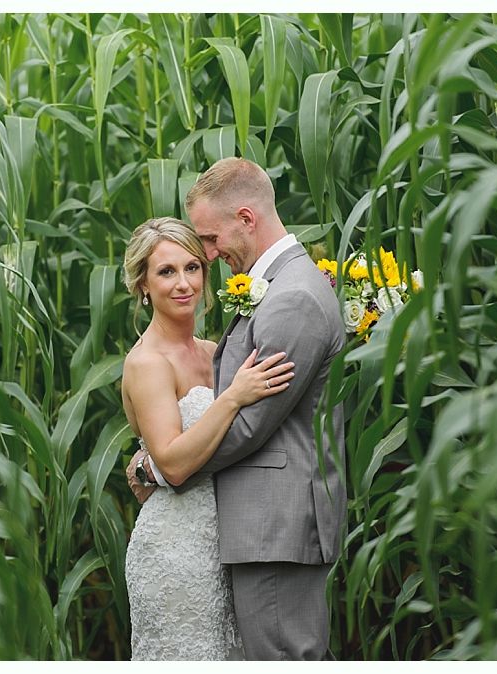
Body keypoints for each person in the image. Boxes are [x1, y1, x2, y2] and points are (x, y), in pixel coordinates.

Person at [129, 157, 347, 660]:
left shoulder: (291, 298)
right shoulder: (280, 291)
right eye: (169, 269)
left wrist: (160, 469)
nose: (206, 258)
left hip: (274, 527)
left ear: (246, 219)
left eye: (206, 242)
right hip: (237, 534)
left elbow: (248, 425)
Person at [120, 216, 296, 660]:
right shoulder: (147, 363)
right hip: (175, 550)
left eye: (192, 268)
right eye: (166, 272)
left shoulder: (213, 351)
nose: (184, 284)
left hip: (227, 545)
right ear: (143, 284)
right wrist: (233, 396)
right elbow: (175, 464)